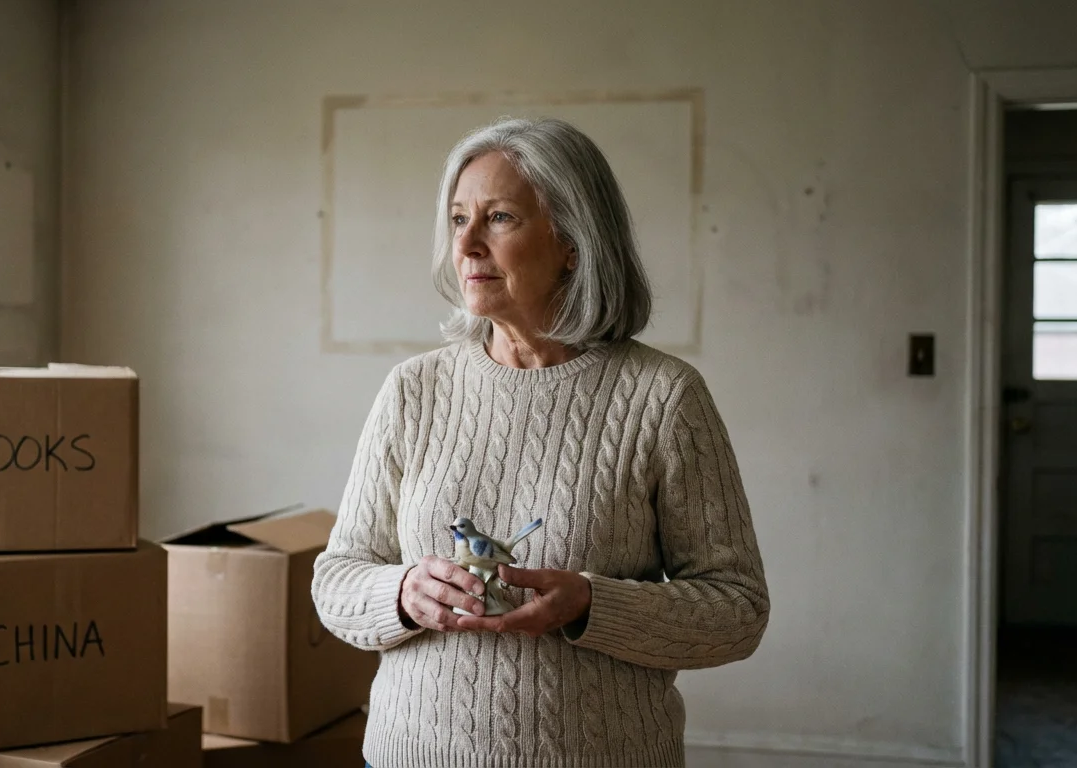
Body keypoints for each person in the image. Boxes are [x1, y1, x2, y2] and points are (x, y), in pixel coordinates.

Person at [311, 117, 769, 768]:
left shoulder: (664, 397)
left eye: (498, 218)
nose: (465, 244)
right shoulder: (414, 390)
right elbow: (337, 580)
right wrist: (403, 593)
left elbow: (737, 610)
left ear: (573, 244)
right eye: (458, 219)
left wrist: (592, 603)